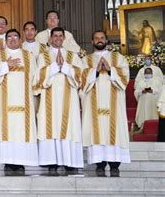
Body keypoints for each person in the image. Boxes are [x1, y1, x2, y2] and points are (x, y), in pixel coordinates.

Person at [0, 29, 38, 174]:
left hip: (24, 104)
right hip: (3, 104)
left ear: (20, 40)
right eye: (9, 37)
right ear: (6, 40)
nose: (12, 39)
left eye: (15, 36)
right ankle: (8, 162)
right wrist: (5, 66)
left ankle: (21, 162)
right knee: (6, 131)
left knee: (22, 131)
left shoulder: (28, 56)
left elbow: (36, 78)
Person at [34, 27, 83, 174]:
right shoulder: (43, 56)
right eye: (55, 36)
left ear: (64, 38)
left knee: (70, 128)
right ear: (50, 38)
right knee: (51, 126)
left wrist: (66, 68)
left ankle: (70, 161)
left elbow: (81, 76)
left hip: (70, 100)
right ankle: (51, 162)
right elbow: (38, 77)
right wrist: (55, 67)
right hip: (50, 98)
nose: (58, 38)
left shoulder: (73, 56)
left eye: (60, 36)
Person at [81, 30, 130, 177]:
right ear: (92, 42)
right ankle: (100, 165)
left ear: (107, 40)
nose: (99, 40)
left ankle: (115, 165)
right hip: (93, 104)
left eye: (102, 38)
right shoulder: (86, 60)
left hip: (114, 104)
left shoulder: (118, 58)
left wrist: (110, 70)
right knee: (97, 132)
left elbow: (125, 77)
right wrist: (95, 71)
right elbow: (82, 79)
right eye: (96, 38)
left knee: (114, 132)